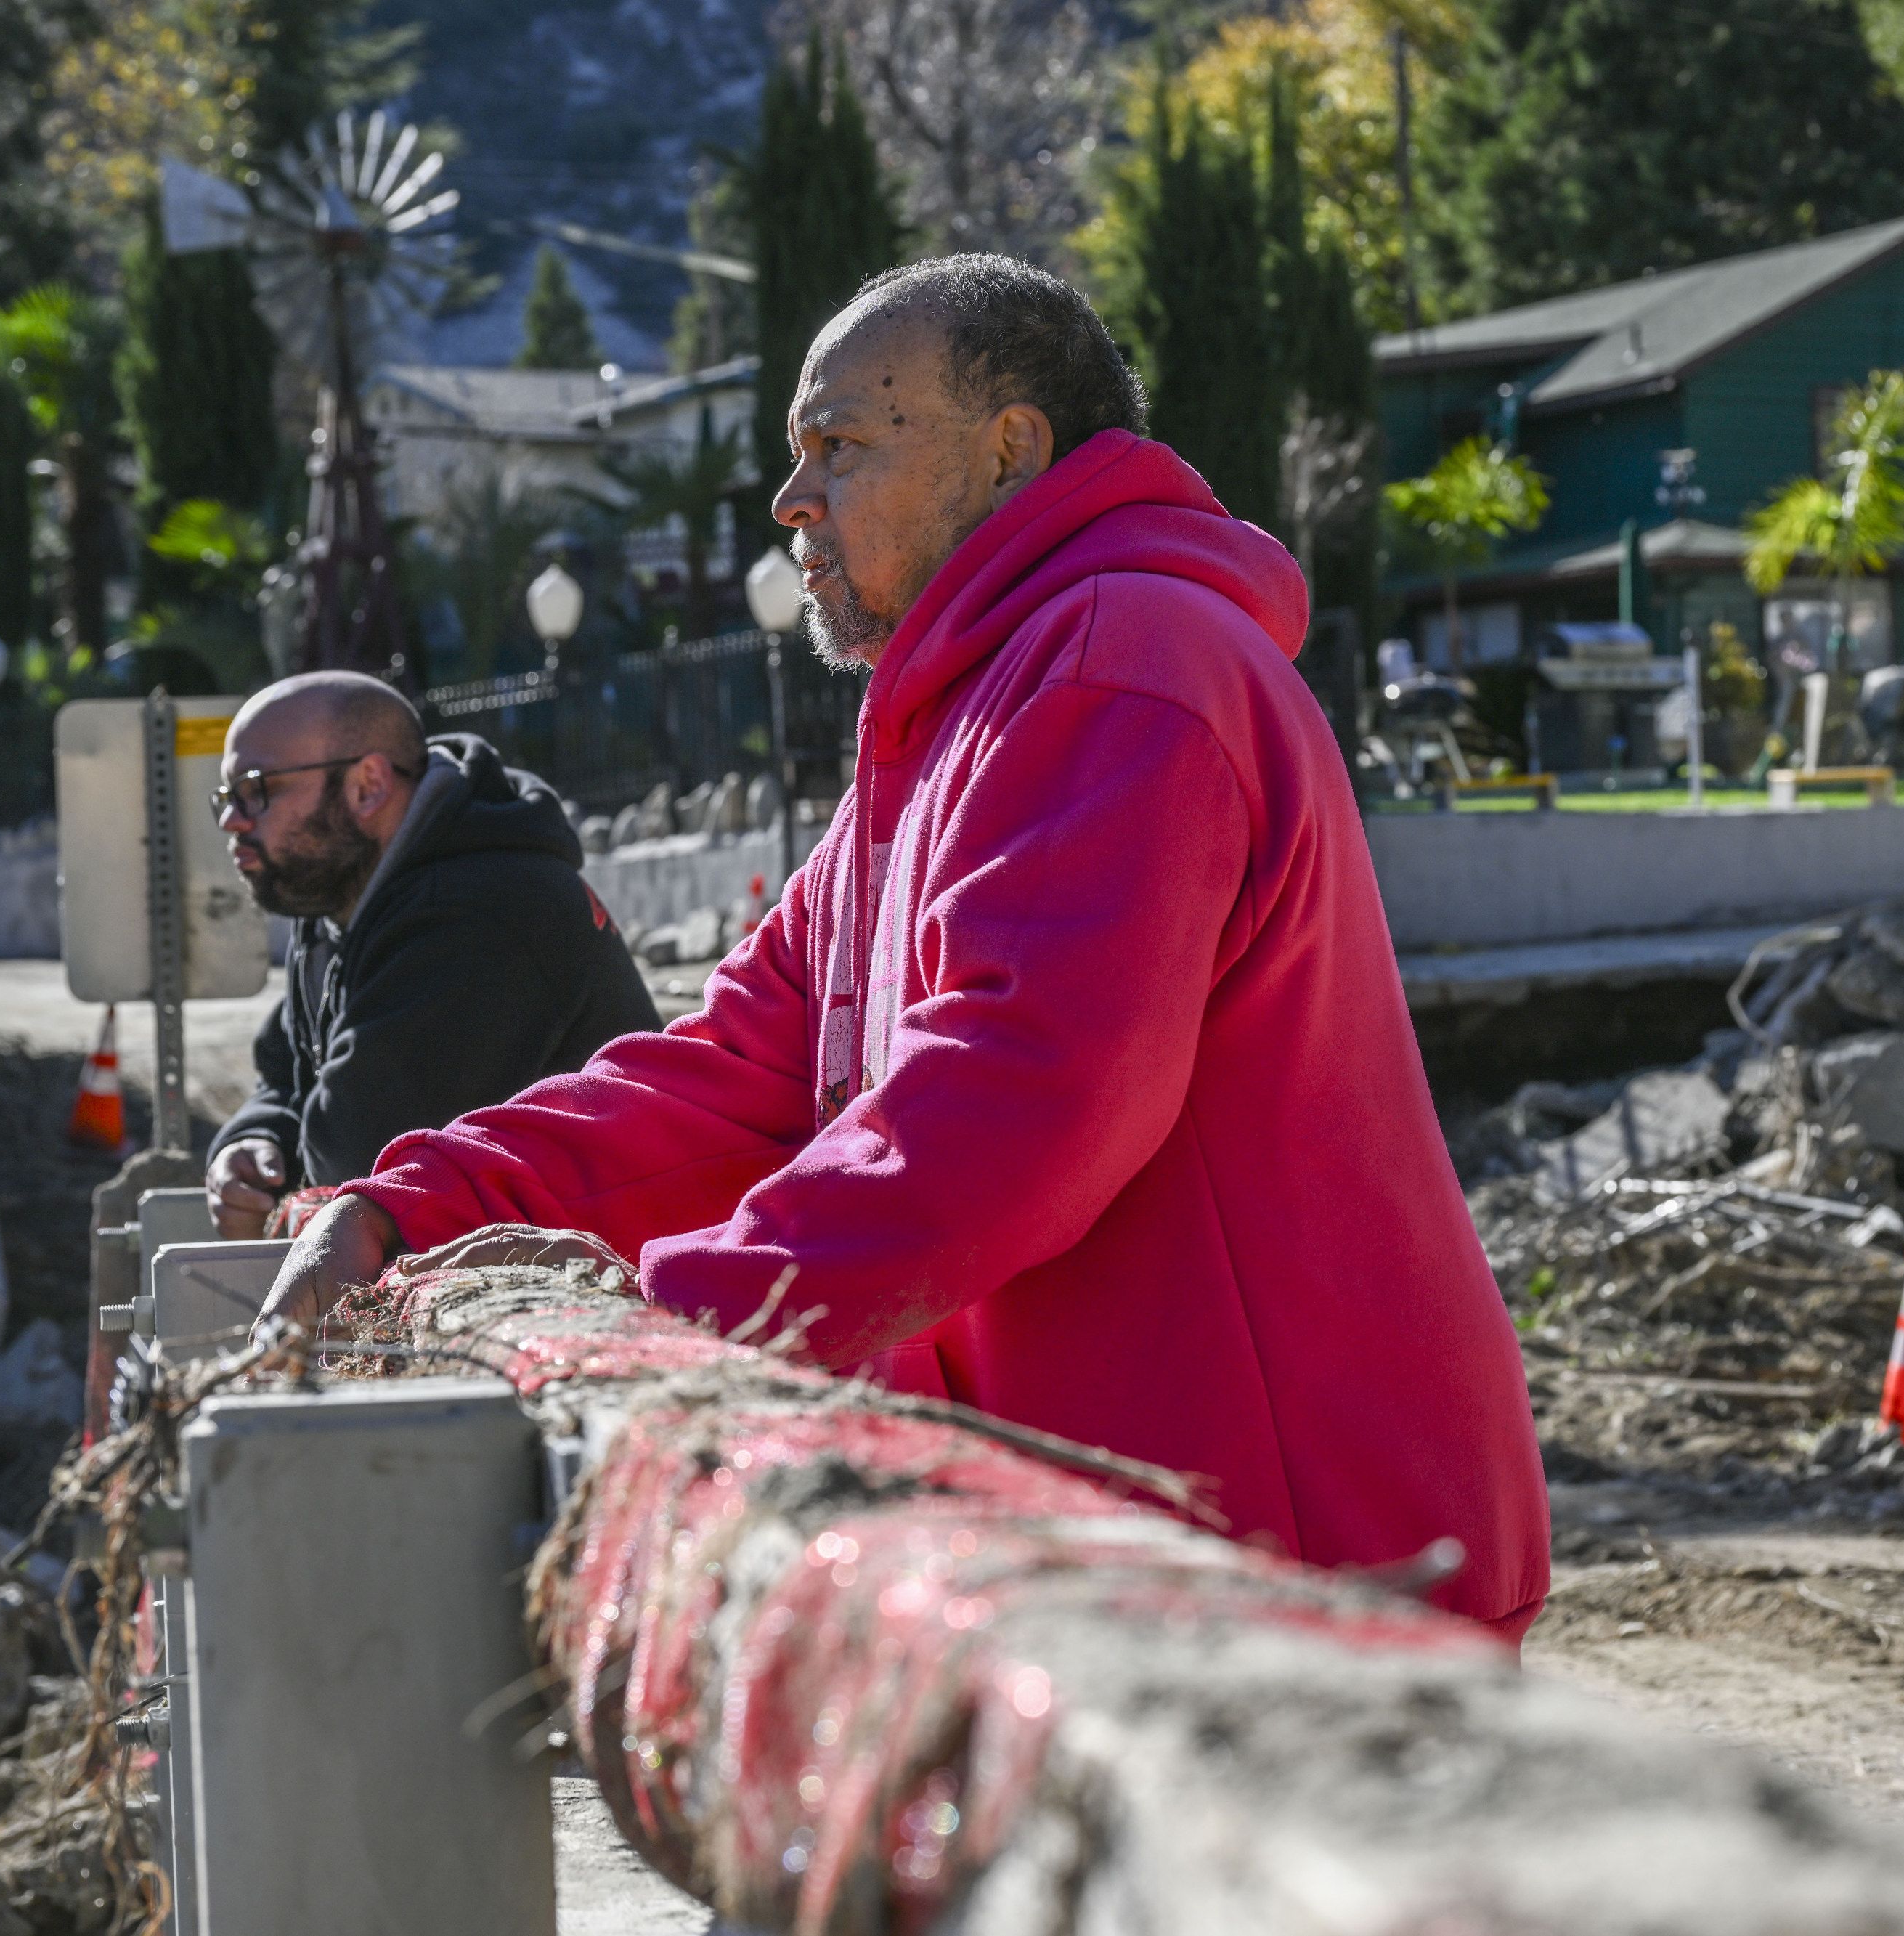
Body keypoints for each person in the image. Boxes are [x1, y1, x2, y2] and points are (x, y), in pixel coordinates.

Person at [261, 257, 1551, 1639]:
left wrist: (666, 1318)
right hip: (1161, 1545)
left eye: (840, 444)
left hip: (1304, 1557)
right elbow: (738, 1069)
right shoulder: (974, 714)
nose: (790, 498)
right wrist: (417, 1202)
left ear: (1010, 450)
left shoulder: (1120, 668)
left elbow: (1019, 1107)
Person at [203, 671, 657, 1237]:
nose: (233, 820)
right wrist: (254, 1141)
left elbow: (360, 1162)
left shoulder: (480, 908)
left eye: (257, 789)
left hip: (615, 1268)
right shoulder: (344, 891)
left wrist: (280, 1172)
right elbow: (285, 1070)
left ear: (368, 786)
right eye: (228, 797)